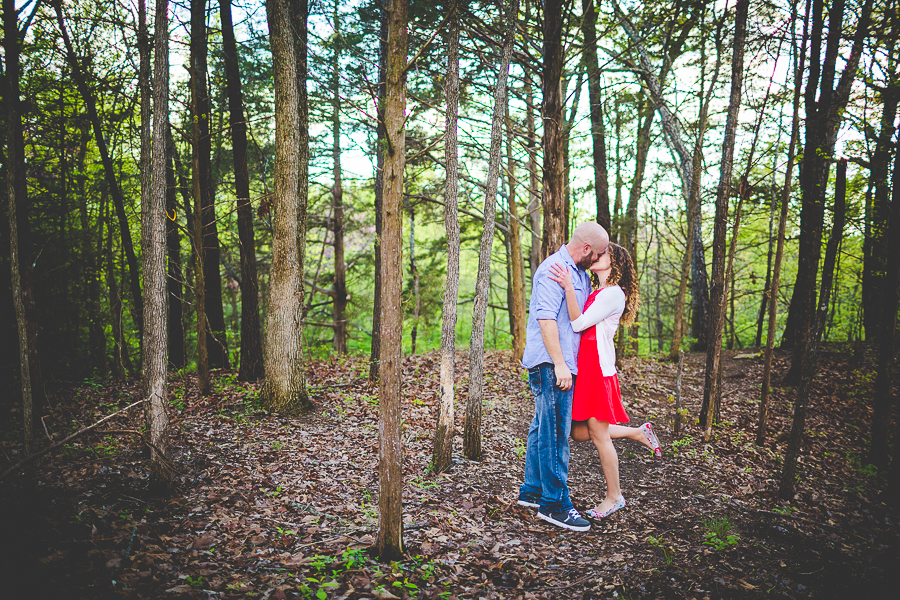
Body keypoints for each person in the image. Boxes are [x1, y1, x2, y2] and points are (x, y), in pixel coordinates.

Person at [548, 242, 661, 520]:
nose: (596, 257)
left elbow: (578, 323)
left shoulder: (613, 294)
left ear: (616, 264)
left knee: (598, 436)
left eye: (604, 254)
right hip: (585, 369)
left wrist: (567, 287)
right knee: (578, 433)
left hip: (597, 371)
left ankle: (614, 497)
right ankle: (636, 433)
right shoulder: (597, 290)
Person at [518, 222, 609, 532]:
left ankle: (532, 491)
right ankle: (555, 504)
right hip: (551, 363)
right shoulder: (554, 269)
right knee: (556, 432)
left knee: (542, 427)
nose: (597, 259)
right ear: (585, 249)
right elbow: (545, 319)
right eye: (596, 254)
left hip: (564, 362)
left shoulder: (578, 274)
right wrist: (559, 364)